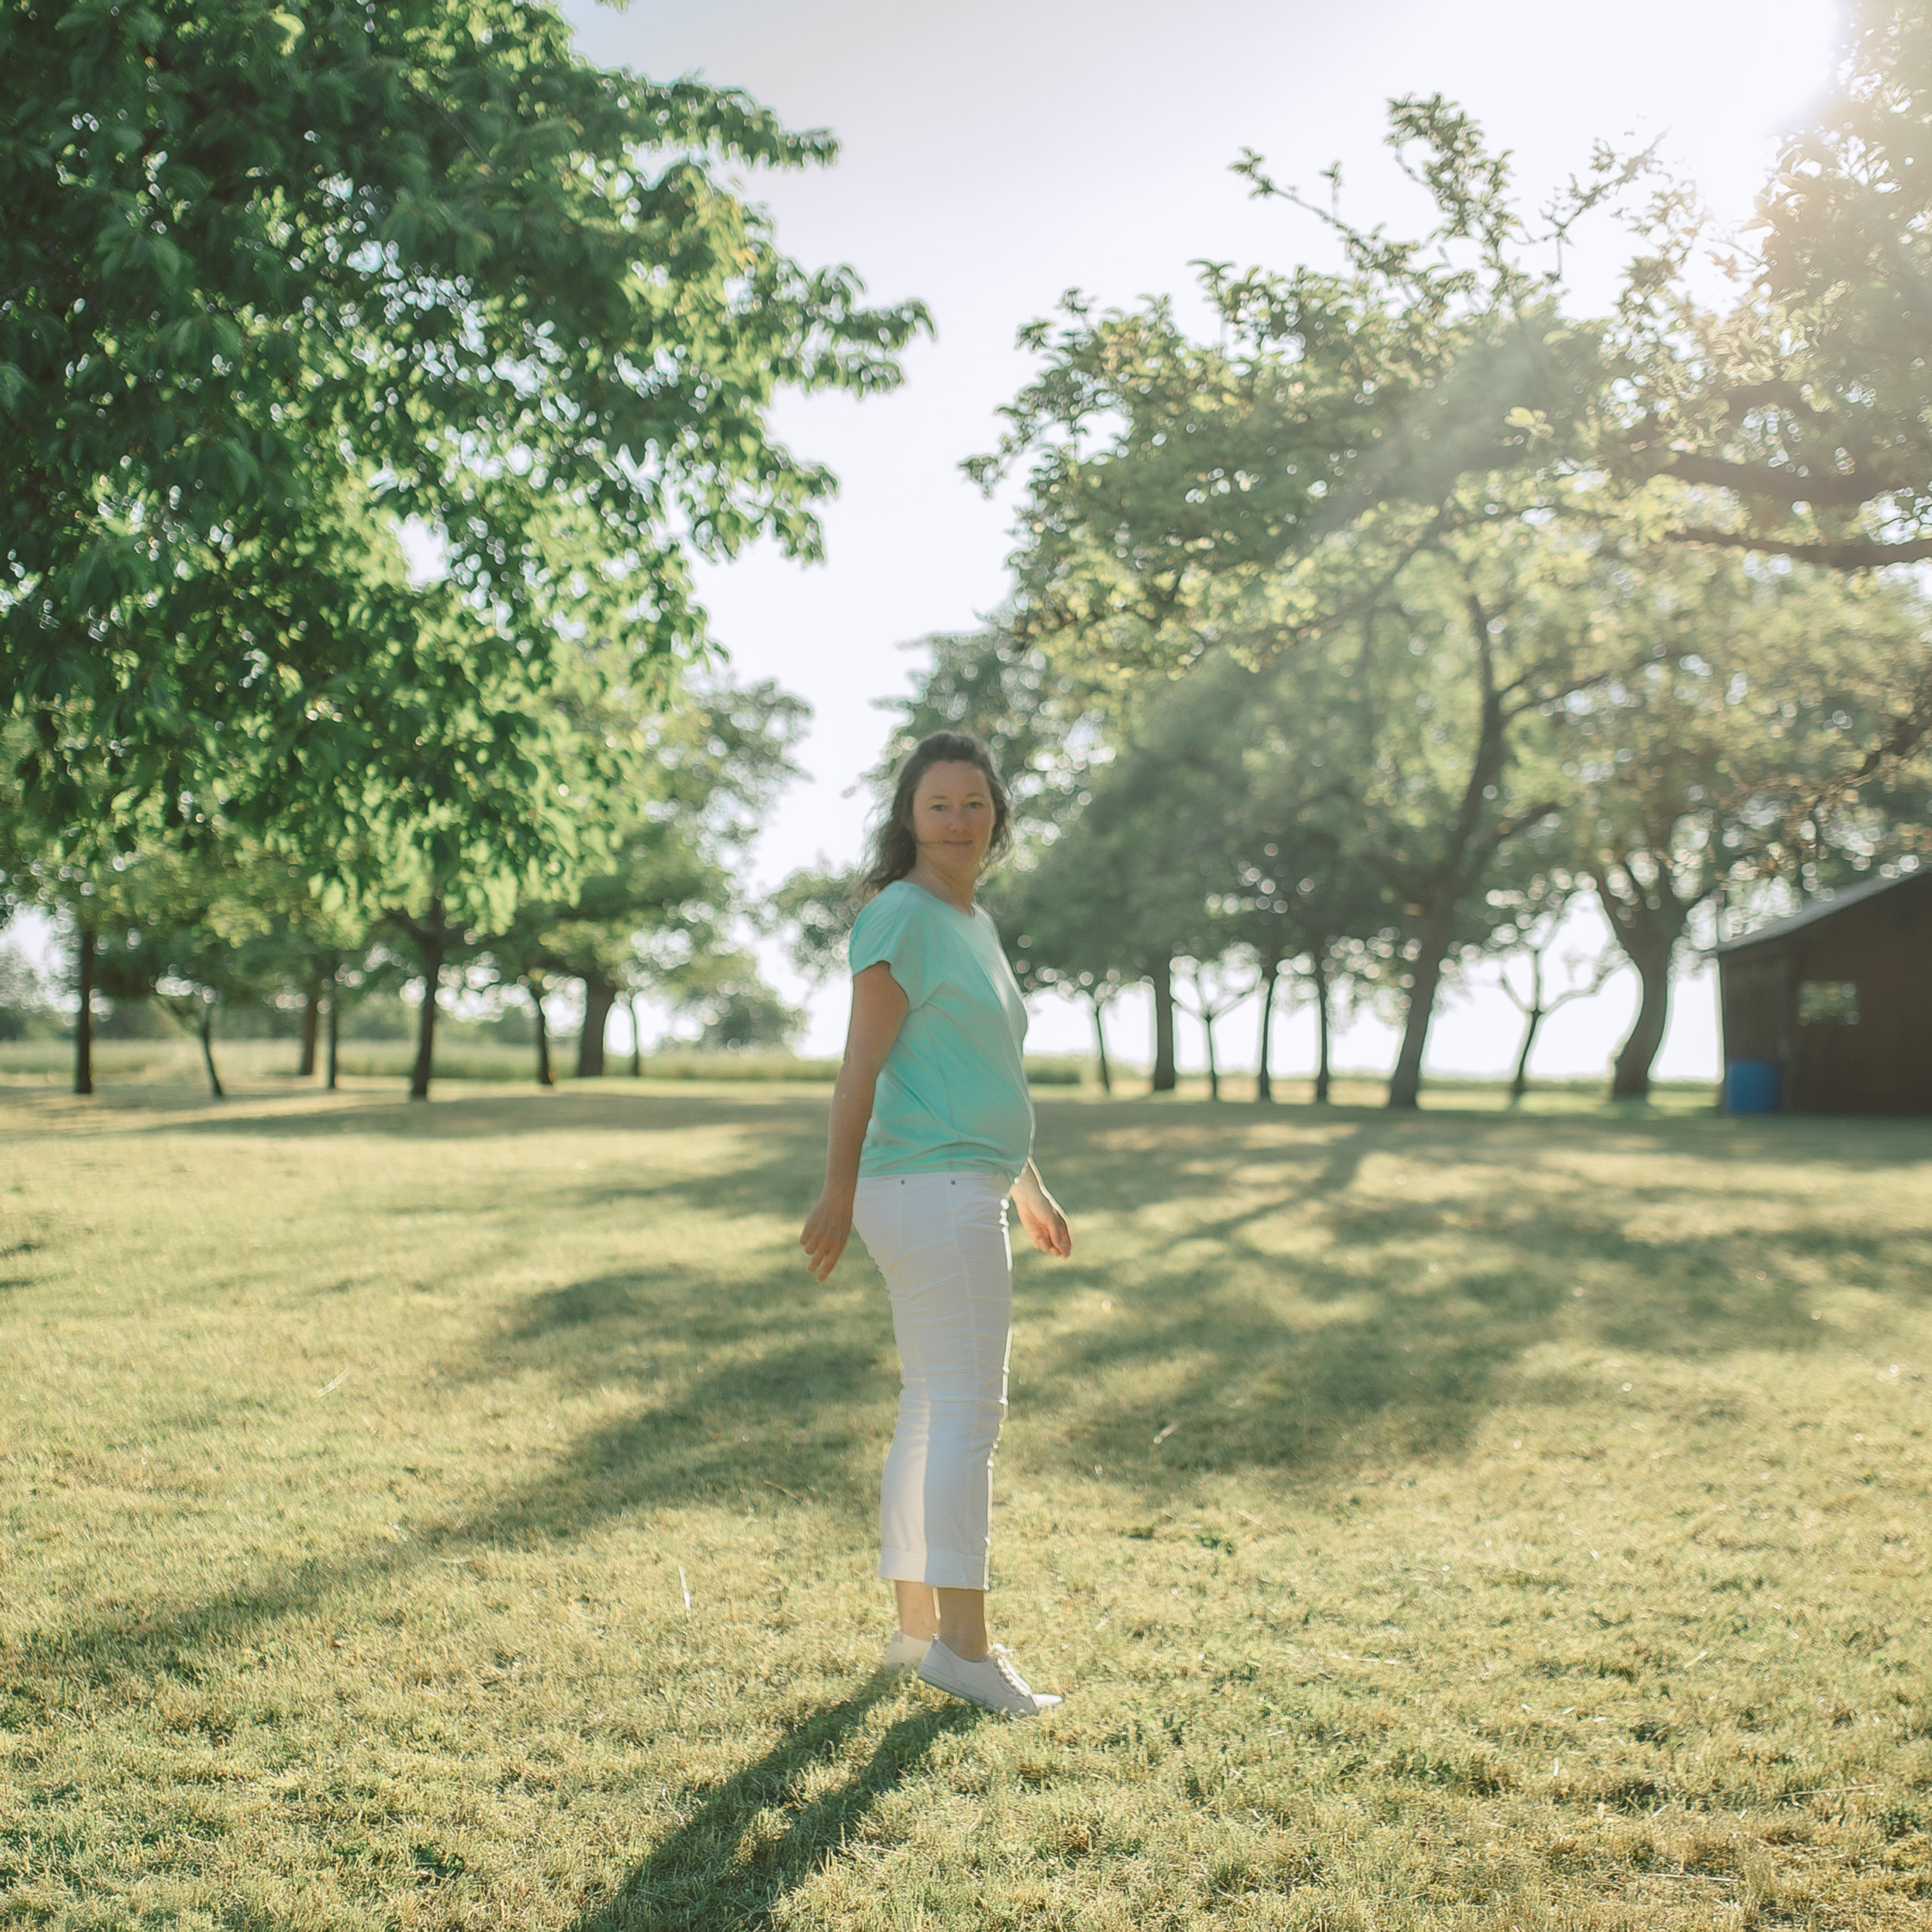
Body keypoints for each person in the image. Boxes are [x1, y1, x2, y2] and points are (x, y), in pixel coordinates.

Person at [799, 731, 1074, 1718]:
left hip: (962, 1182)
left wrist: (1028, 1186)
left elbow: (977, 1077)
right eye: (938, 805)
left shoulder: (972, 924)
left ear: (996, 814)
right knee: (967, 1418)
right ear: (909, 819)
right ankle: (965, 1646)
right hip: (930, 1189)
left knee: (930, 1408)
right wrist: (833, 1192)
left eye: (973, 803)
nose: (958, 820)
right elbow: (860, 1068)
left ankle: (916, 1630)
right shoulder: (904, 917)